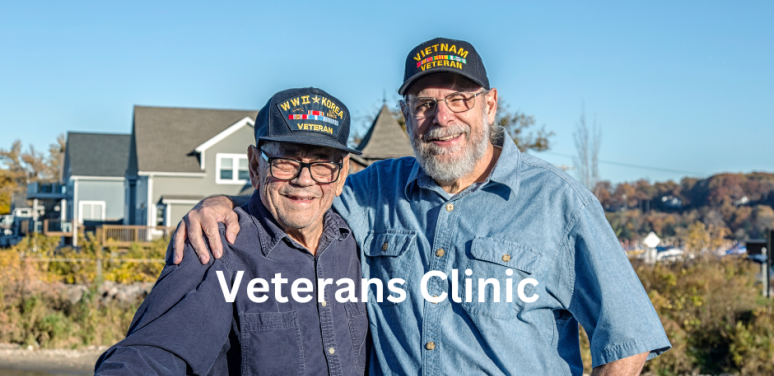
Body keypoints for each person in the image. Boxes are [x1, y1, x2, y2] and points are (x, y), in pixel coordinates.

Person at [176, 38, 671, 375]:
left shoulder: (558, 201)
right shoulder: (373, 190)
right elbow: (300, 193)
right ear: (407, 116)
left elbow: (627, 338)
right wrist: (223, 202)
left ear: (490, 105)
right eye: (424, 104)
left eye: (459, 99)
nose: (441, 118)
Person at [95, 87, 368, 376]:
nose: (304, 179)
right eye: (286, 161)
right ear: (255, 166)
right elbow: (153, 352)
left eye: (322, 163)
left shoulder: (356, 242)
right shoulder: (216, 248)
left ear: (342, 174)